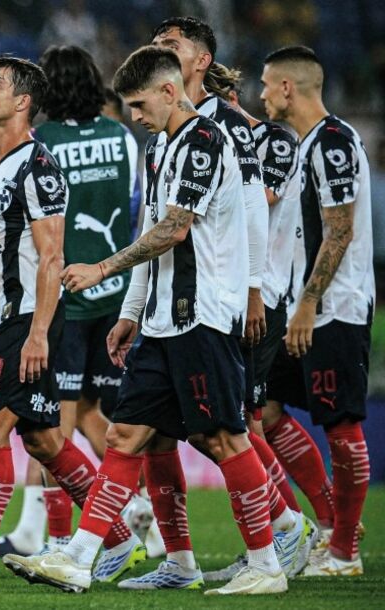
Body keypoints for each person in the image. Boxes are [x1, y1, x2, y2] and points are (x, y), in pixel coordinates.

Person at [4, 45, 287, 596]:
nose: (132, 116)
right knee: (130, 436)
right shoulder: (159, 147)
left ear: (167, 91)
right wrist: (131, 313)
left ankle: (266, 563)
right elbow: (149, 228)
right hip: (160, 323)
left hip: (202, 316)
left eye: (138, 104)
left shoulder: (204, 142)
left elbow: (173, 230)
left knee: (226, 438)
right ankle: (99, 559)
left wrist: (103, 268)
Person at [0, 55, 144, 587]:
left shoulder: (39, 167)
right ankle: (120, 536)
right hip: (8, 319)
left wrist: (39, 332)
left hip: (26, 320)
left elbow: (53, 256)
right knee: (44, 440)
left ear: (23, 103)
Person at [149, 17, 310, 582]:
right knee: (204, 425)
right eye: (158, 42)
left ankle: (287, 529)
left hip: (232, 298)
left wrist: (253, 289)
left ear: (199, 61)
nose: (160, 49)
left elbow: (251, 208)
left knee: (234, 424)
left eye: (172, 45)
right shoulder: (166, 126)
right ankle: (272, 535)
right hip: (182, 303)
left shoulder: (226, 126)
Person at [0, 45, 146, 561]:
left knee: (52, 420)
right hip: (116, 292)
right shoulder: (123, 138)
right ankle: (136, 507)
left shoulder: (42, 143)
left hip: (64, 298)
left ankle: (59, 536)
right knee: (93, 417)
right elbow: (132, 208)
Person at [197, 62, 326, 583]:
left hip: (262, 296)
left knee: (243, 424)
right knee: (255, 416)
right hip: (236, 295)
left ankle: (289, 533)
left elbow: (260, 200)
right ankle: (293, 530)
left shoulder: (269, 139)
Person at [258, 45, 373, 577]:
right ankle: (328, 525)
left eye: (265, 85)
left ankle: (346, 551)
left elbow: (341, 228)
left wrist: (308, 303)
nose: (261, 96)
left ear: (288, 88)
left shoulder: (332, 143)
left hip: (334, 309)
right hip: (301, 307)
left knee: (342, 426)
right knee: (268, 410)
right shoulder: (306, 146)